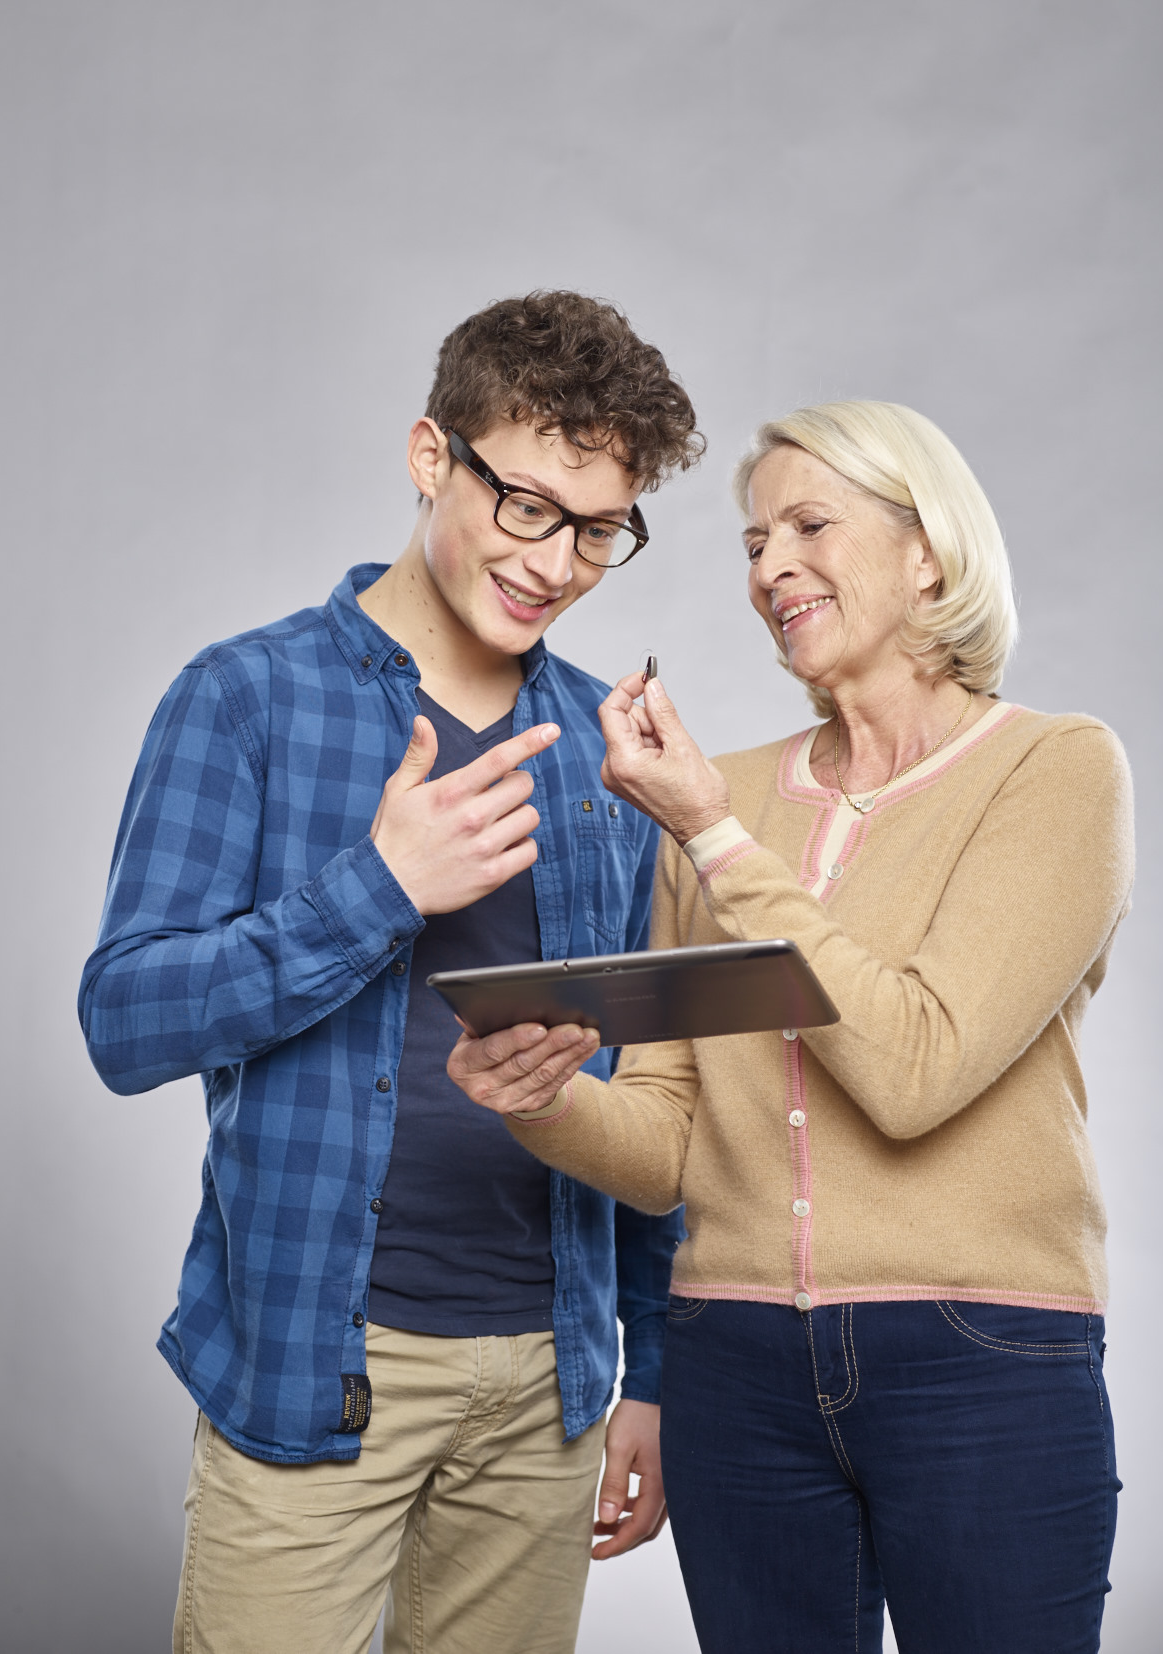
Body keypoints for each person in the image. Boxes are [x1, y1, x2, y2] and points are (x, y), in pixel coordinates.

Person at [450, 400, 1135, 1654]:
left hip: (978, 1354)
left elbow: (916, 1066)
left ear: (927, 550)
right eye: (753, 541)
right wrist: (541, 1094)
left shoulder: (1054, 770)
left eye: (809, 525)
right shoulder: (730, 791)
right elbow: (667, 1141)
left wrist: (712, 836)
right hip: (734, 1356)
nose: (768, 568)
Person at [78, 290, 702, 1654]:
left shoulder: (605, 755)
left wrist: (646, 1370)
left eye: (602, 529)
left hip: (547, 1381)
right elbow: (124, 1019)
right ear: (433, 455)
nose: (559, 562)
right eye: (529, 505)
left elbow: (646, 1079)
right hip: (318, 1352)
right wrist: (382, 889)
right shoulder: (245, 697)